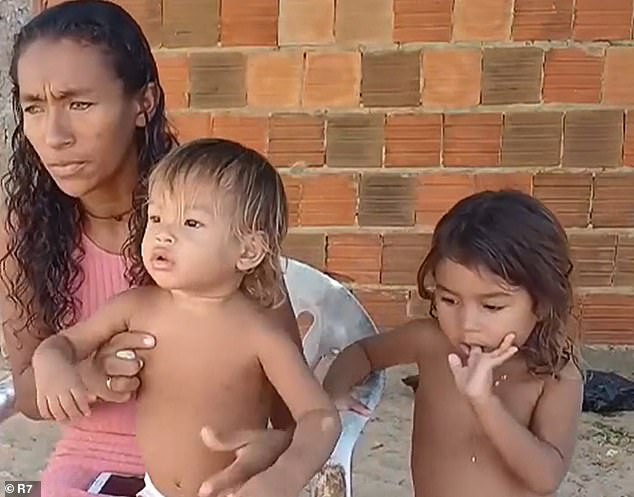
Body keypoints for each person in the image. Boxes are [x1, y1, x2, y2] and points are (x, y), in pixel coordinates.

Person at [0, 1, 303, 496]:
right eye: (34, 107)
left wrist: (275, 448)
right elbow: (31, 394)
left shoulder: (208, 213)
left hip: (212, 468)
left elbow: (288, 409)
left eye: (79, 104)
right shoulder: (23, 229)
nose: (53, 136)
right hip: (89, 467)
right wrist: (86, 374)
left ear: (143, 103)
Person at [31, 138, 341, 497]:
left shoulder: (259, 334)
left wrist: (286, 474)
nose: (163, 232)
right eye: (157, 216)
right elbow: (64, 343)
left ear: (248, 250)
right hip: (153, 489)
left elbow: (318, 416)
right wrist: (51, 362)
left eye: (191, 222)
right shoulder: (136, 307)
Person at [323, 190, 584, 497]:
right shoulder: (430, 341)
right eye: (449, 300)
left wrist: (484, 403)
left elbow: (545, 477)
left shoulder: (556, 374)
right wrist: (332, 393)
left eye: (492, 307)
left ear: (541, 302)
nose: (467, 323)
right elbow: (364, 352)